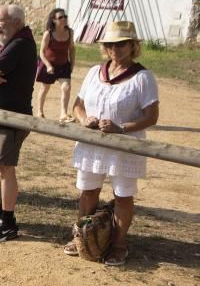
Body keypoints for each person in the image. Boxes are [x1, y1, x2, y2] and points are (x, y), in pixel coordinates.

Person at [65, 21, 159, 267]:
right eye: (110, 44)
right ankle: (82, 236)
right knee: (88, 190)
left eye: (120, 44)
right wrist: (85, 119)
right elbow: (78, 104)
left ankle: (118, 244)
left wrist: (121, 128)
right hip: (92, 144)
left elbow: (151, 116)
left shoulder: (142, 77)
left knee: (123, 195)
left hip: (125, 147)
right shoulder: (95, 72)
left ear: (132, 45)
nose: (114, 49)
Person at [0, 4, 37, 244]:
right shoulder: (10, 43)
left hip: (11, 118)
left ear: (17, 22)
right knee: (2, 168)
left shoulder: (19, 44)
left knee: (5, 169)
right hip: (0, 118)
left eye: (1, 20)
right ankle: (3, 210)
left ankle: (8, 223)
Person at [36, 8, 76, 122]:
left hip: (63, 65)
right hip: (49, 64)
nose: (64, 19)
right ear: (54, 20)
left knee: (66, 88)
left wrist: (72, 63)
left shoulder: (70, 32)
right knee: (45, 88)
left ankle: (63, 114)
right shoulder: (48, 34)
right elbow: (41, 52)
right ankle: (40, 112)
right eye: (60, 17)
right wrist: (48, 65)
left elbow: (72, 49)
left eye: (65, 17)